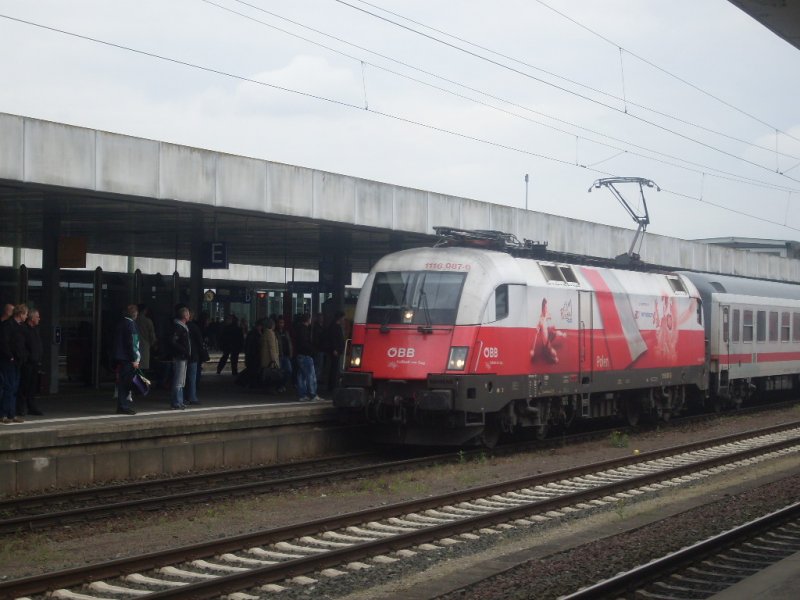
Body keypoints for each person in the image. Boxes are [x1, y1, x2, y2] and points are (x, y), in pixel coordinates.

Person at [0, 304, 28, 423]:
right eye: (25, 314)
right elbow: (4, 343)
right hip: (9, 360)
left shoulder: (20, 327)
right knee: (9, 386)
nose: (26, 317)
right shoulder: (7, 325)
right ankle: (4, 414)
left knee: (15, 387)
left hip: (18, 360)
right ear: (20, 314)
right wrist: (10, 356)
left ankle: (12, 413)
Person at [111, 304, 139, 415]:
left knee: (122, 382)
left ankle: (122, 405)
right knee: (126, 383)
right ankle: (123, 406)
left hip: (120, 357)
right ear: (135, 314)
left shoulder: (120, 323)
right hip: (127, 358)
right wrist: (134, 358)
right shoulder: (130, 324)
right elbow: (132, 343)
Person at [17, 308, 44, 416]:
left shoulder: (35, 329)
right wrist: (27, 357)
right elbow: (22, 345)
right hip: (27, 363)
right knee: (24, 385)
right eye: (37, 317)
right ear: (32, 318)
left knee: (32, 386)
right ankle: (19, 408)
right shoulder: (24, 329)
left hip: (35, 362)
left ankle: (31, 406)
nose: (39, 319)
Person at [167, 306, 191, 410]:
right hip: (179, 356)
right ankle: (176, 402)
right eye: (188, 314)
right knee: (178, 380)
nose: (189, 315)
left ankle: (179, 401)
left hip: (183, 356)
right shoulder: (178, 327)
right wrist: (184, 350)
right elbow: (173, 341)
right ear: (185, 315)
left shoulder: (183, 327)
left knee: (181, 380)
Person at [294, 312, 320, 402]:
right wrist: (312, 350)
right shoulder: (304, 330)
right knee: (310, 375)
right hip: (306, 355)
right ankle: (313, 394)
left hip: (299, 354)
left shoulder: (298, 329)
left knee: (301, 376)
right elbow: (305, 343)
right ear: (308, 319)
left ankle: (302, 395)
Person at [259, 317, 283, 393]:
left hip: (265, 358)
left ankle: (267, 388)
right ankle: (271, 389)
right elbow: (272, 347)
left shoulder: (265, 332)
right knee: (272, 374)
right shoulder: (270, 333)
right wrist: (274, 360)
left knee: (267, 374)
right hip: (270, 359)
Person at [186, 308, 203, 405]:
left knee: (183, 378)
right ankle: (192, 396)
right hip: (193, 354)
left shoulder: (182, 326)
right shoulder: (194, 327)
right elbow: (199, 341)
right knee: (192, 377)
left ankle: (184, 396)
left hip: (184, 355)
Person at [327, 311, 346, 392]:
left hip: (337, 350)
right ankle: (332, 385)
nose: (344, 319)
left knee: (335, 367)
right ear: (340, 318)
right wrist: (335, 349)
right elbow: (333, 339)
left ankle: (333, 384)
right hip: (336, 350)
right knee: (334, 368)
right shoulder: (335, 327)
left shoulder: (335, 326)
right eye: (343, 318)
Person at [136, 304, 158, 374]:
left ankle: (134, 384)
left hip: (133, 346)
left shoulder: (133, 320)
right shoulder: (147, 321)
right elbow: (152, 335)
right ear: (145, 311)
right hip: (144, 346)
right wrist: (153, 344)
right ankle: (140, 384)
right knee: (142, 369)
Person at [243, 319, 263, 388]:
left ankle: (251, 383)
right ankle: (252, 384)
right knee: (253, 370)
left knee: (252, 370)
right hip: (254, 355)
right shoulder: (255, 334)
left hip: (251, 355)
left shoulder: (251, 333)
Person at [275, 315, 293, 393]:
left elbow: (289, 343)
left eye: (282, 323)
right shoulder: (275, 333)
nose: (281, 324)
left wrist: (291, 353)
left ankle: (283, 384)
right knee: (280, 372)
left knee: (289, 370)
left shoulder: (286, 332)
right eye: (280, 323)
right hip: (279, 355)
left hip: (286, 355)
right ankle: (280, 386)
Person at [312, 312, 327, 386]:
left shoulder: (319, 327)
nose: (322, 319)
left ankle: (317, 380)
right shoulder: (317, 328)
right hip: (319, 349)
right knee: (318, 366)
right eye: (321, 317)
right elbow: (317, 339)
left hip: (320, 349)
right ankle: (316, 381)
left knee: (318, 365)